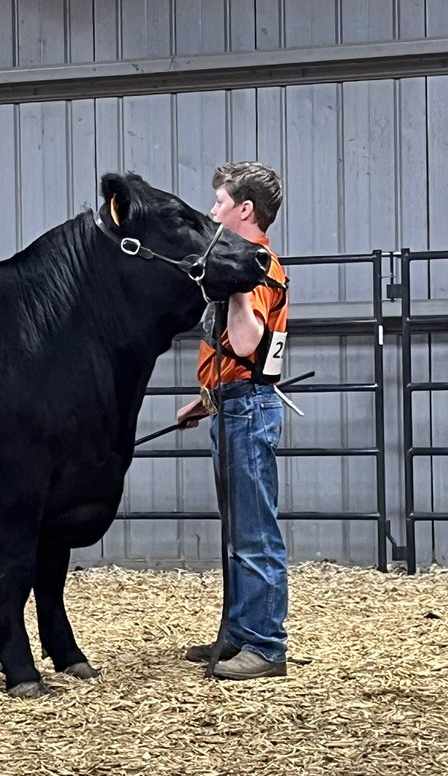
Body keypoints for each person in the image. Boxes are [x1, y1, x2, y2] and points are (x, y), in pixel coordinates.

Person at [176, 162, 289, 680]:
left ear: (244, 210)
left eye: (220, 202)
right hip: (232, 402)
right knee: (240, 529)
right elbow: (240, 354)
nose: (212, 211)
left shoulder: (258, 264)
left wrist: (238, 280)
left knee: (254, 531)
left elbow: (247, 341)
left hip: (247, 407)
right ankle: (240, 634)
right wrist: (204, 400)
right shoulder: (251, 264)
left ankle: (265, 645)